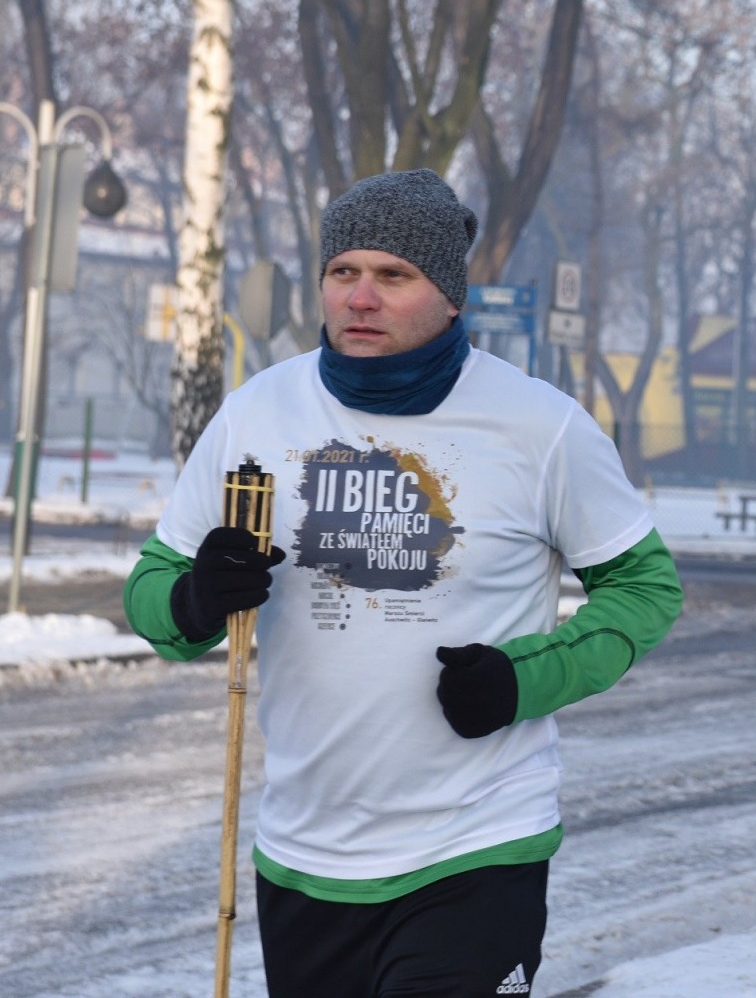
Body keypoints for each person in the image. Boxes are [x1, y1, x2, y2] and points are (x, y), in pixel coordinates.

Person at [124, 169, 684, 998]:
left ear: (451, 296)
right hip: (305, 856)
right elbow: (154, 589)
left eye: (394, 276)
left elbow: (646, 587)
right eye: (343, 272)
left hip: (476, 845)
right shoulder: (258, 414)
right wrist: (195, 599)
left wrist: (524, 678)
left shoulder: (540, 427)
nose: (360, 298)